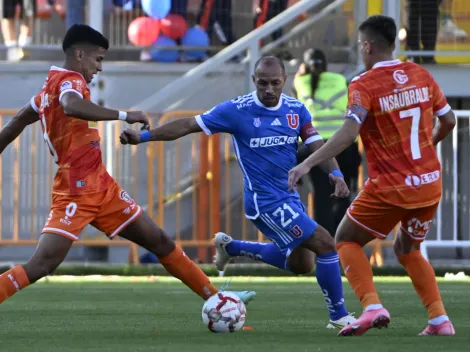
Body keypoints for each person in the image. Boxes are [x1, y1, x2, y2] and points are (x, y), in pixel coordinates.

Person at [0, 24, 255, 307]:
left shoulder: (46, 91)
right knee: (42, 264)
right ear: (80, 54)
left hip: (103, 188)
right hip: (76, 190)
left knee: (159, 240)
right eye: (98, 59)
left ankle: (217, 299)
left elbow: (17, 122)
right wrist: (124, 114)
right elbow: (71, 105)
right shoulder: (70, 82)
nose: (99, 67)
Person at [120, 56, 356, 329]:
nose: (269, 89)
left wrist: (335, 174)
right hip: (263, 201)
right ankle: (339, 316)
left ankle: (232, 247)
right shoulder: (236, 110)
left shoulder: (296, 110)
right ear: (254, 81)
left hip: (288, 197)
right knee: (325, 243)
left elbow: (318, 145)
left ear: (285, 81)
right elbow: (187, 125)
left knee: (303, 263)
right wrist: (144, 137)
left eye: (275, 83)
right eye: (263, 83)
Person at [288, 15, 456, 336]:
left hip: (392, 186)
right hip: (429, 182)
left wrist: (308, 162)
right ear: (393, 44)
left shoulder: (363, 84)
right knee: (407, 249)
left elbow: (349, 132)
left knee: (346, 239)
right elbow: (448, 121)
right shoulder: (420, 74)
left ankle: (371, 306)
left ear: (366, 46)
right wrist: (426, 146)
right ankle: (439, 320)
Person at [293, 48, 361, 236]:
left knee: (322, 196)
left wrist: (301, 72)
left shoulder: (300, 81)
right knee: (343, 193)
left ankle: (325, 246)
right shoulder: (339, 80)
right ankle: (343, 240)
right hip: (343, 145)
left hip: (315, 148)